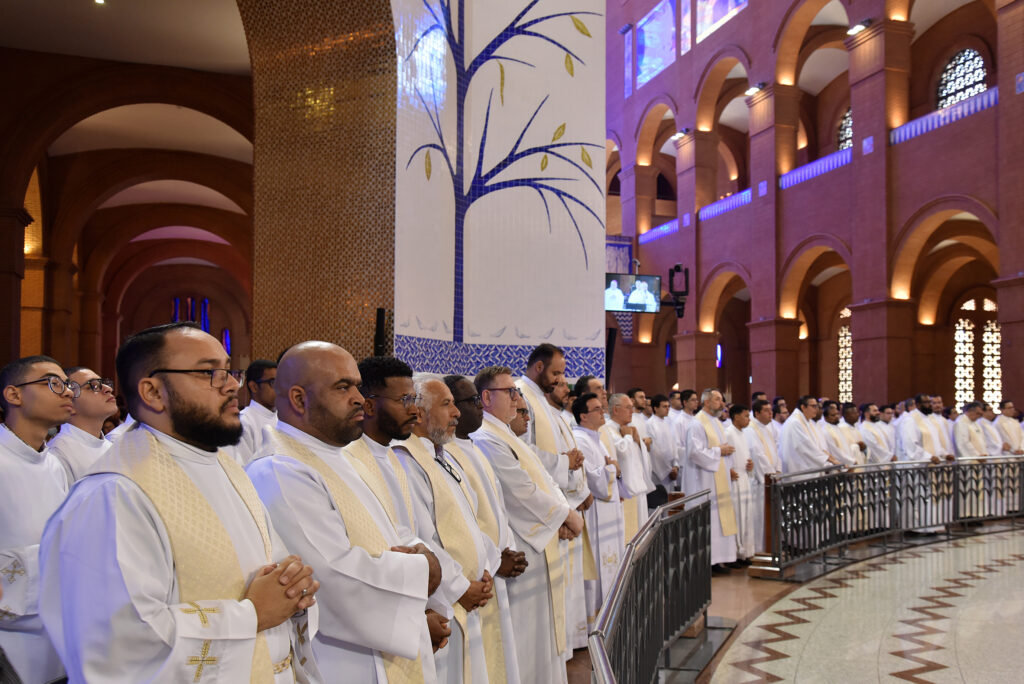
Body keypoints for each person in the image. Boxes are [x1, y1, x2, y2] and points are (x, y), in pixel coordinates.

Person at [39, 322, 319, 682]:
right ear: (153, 392)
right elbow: (118, 647)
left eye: (228, 371)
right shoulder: (114, 495)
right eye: (208, 373)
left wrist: (294, 587)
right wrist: (250, 614)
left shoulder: (226, 468)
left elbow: (270, 571)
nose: (231, 386)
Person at [246, 342, 441, 681]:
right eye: (343, 387)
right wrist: (423, 570)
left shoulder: (341, 456)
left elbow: (390, 530)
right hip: (345, 660)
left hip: (381, 648)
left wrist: (423, 558)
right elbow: (330, 575)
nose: (359, 398)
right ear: (298, 399)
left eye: (358, 386)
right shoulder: (279, 469)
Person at [471, 366, 582, 684]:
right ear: (487, 397)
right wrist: (565, 516)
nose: (518, 400)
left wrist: (562, 515)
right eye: (510, 392)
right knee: (528, 638)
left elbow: (545, 480)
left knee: (543, 635)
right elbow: (520, 491)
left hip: (541, 540)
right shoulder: (486, 437)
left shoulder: (506, 434)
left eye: (517, 392)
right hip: (524, 546)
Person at [345, 357, 462, 655]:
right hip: (384, 616)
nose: (414, 410)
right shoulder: (352, 461)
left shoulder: (391, 456)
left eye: (415, 400)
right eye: (404, 400)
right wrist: (420, 614)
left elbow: (412, 534)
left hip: (421, 595)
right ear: (369, 405)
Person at [398, 375, 505, 683]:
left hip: (473, 590)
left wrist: (486, 567)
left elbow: (472, 519)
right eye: (447, 404)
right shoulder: (406, 461)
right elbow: (422, 538)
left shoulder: (442, 457)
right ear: (419, 414)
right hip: (448, 600)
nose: (456, 413)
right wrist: (460, 587)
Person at [443, 374, 526, 684]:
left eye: (478, 400)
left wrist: (508, 548)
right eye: (471, 401)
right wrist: (496, 560)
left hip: (493, 568)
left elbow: (496, 509)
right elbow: (460, 523)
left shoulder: (472, 447)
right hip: (478, 575)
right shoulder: (447, 454)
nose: (478, 406)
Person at [0, 355, 73, 683]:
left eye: (68, 385)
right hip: (9, 641)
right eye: (53, 383)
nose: (67, 392)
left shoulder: (53, 464)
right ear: (13, 394)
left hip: (55, 633)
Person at [514, 345, 589, 653]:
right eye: (556, 372)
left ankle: (564, 644)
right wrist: (563, 462)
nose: (560, 379)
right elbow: (520, 452)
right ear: (539, 367)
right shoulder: (522, 396)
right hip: (537, 509)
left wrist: (568, 465)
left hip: (558, 500)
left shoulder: (540, 401)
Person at [570, 392, 623, 633]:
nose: (603, 412)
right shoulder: (580, 440)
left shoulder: (597, 439)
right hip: (595, 514)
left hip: (607, 513)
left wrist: (611, 469)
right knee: (598, 569)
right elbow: (595, 481)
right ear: (583, 416)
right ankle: (595, 623)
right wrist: (613, 469)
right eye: (597, 409)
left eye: (602, 408)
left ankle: (607, 617)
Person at [682, 389, 738, 572]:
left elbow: (722, 449)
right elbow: (694, 452)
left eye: (721, 400)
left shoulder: (716, 422)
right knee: (708, 520)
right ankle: (706, 562)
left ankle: (719, 559)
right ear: (706, 402)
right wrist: (719, 451)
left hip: (717, 479)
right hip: (703, 480)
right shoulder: (697, 423)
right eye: (718, 400)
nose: (722, 403)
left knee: (718, 520)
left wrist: (727, 461)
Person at [46, 366, 118, 482]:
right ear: (69, 402)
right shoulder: (58, 453)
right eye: (93, 386)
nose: (108, 389)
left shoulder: (112, 447)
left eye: (104, 383)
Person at [606, 393, 656, 539]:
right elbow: (622, 452)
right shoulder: (608, 430)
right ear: (616, 410)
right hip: (625, 492)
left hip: (638, 489)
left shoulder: (629, 428)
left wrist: (638, 442)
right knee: (628, 537)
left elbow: (640, 459)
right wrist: (628, 437)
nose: (632, 411)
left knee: (641, 535)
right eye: (628, 408)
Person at [745, 399, 782, 550]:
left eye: (771, 410)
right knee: (759, 518)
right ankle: (759, 549)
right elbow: (758, 456)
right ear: (757, 413)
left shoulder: (767, 429)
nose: (770, 413)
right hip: (760, 482)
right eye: (766, 411)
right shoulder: (751, 430)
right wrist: (770, 475)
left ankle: (770, 547)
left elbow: (775, 451)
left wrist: (778, 470)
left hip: (771, 478)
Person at [724, 405, 755, 565]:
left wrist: (750, 465)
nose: (748, 419)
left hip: (744, 478)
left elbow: (745, 455)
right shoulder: (728, 433)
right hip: (734, 480)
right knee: (736, 516)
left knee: (746, 516)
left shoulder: (743, 433)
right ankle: (734, 553)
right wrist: (728, 470)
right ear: (736, 417)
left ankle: (745, 552)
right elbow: (724, 456)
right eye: (746, 416)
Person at [231, 359, 278, 465]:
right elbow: (245, 467)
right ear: (254, 387)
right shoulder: (244, 422)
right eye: (273, 383)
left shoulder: (283, 417)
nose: (279, 389)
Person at [780, 395, 838, 474]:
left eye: (817, 406)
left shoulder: (806, 421)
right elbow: (806, 447)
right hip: (798, 469)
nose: (816, 409)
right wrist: (829, 460)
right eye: (813, 406)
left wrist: (829, 459)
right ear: (803, 407)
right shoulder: (795, 422)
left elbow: (815, 445)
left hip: (806, 468)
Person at [646, 394, 678, 494]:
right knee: (660, 498)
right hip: (659, 472)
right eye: (664, 406)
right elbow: (654, 451)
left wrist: (675, 466)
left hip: (670, 469)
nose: (668, 409)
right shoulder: (650, 424)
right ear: (655, 408)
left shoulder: (667, 423)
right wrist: (668, 470)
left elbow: (673, 445)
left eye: (668, 406)